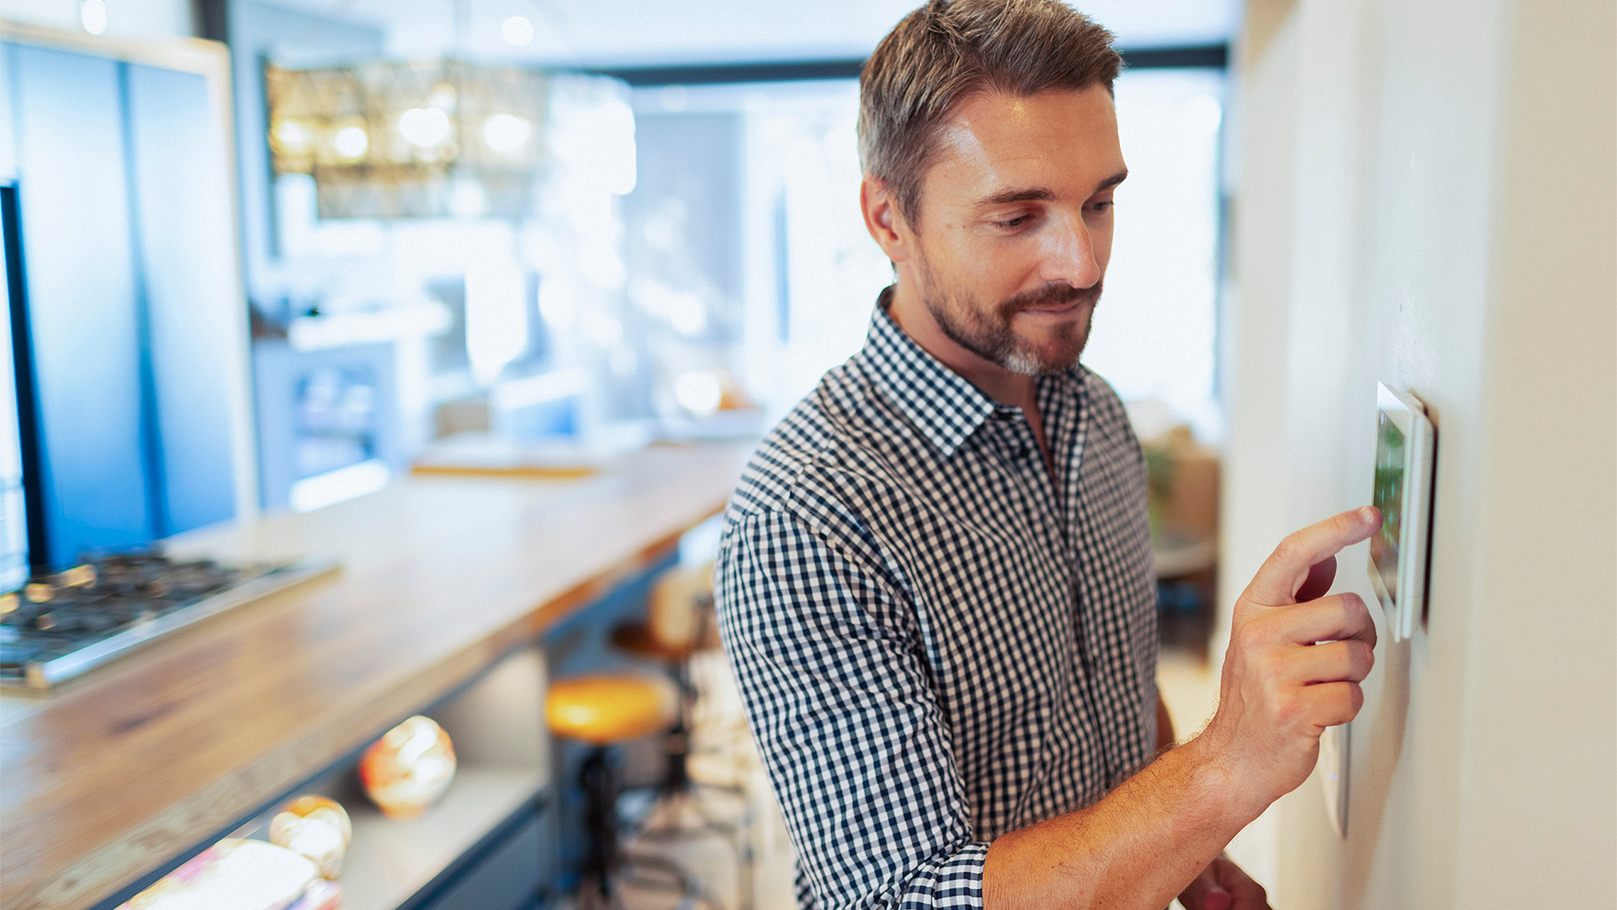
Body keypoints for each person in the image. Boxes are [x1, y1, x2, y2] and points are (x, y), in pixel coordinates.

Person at [713, 2, 1380, 909]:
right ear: (887, 219)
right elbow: (901, 898)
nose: (1080, 261)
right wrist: (1223, 764)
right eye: (1017, 216)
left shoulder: (1092, 413)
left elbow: (1111, 689)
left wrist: (1187, 861)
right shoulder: (808, 513)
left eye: (1098, 202)